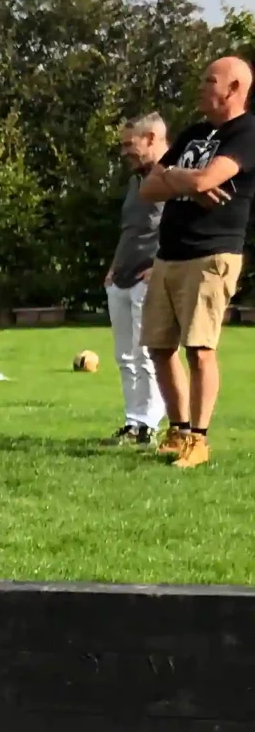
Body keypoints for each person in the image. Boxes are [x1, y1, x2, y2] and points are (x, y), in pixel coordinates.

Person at [137, 55, 255, 467]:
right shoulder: (194, 133)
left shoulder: (247, 132)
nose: (202, 87)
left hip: (212, 254)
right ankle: (178, 430)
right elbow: (148, 188)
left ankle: (199, 441)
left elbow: (208, 179)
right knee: (159, 346)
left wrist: (177, 179)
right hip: (170, 255)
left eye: (210, 80)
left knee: (200, 349)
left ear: (234, 88)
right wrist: (181, 181)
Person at [103, 114, 166, 446]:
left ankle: (149, 424)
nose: (125, 151)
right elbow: (129, 229)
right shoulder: (134, 181)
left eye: (130, 144)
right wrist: (113, 269)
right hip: (122, 277)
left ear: (152, 139)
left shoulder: (171, 176)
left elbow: (180, 226)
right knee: (124, 355)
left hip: (148, 277)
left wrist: (159, 266)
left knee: (148, 353)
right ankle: (132, 421)